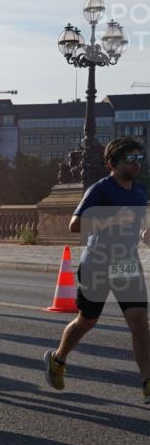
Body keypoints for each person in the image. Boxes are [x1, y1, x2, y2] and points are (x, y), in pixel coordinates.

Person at [44, 138, 150, 403]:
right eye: (130, 159)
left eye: (139, 158)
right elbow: (75, 225)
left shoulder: (138, 191)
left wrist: (146, 232)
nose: (136, 164)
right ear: (112, 163)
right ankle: (58, 359)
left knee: (139, 323)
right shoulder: (100, 189)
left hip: (126, 262)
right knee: (87, 320)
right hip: (98, 262)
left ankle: (148, 384)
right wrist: (112, 218)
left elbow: (138, 224)